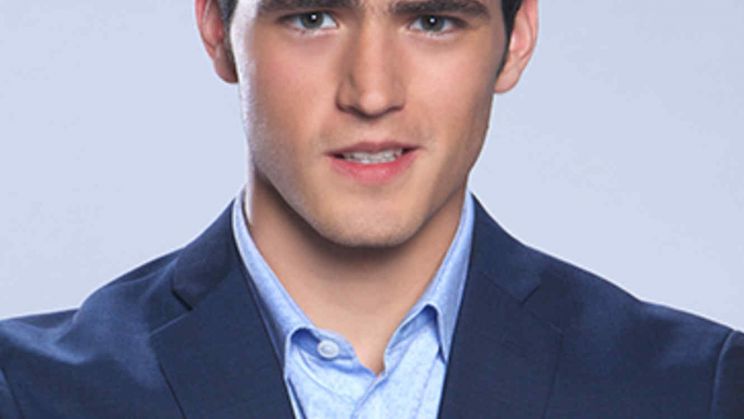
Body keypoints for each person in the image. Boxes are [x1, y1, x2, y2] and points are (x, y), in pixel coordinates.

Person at [0, 0, 742, 417]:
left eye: (433, 20)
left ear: (515, 41)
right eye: (312, 17)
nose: (372, 92)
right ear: (217, 31)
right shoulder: (26, 392)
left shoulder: (694, 392)